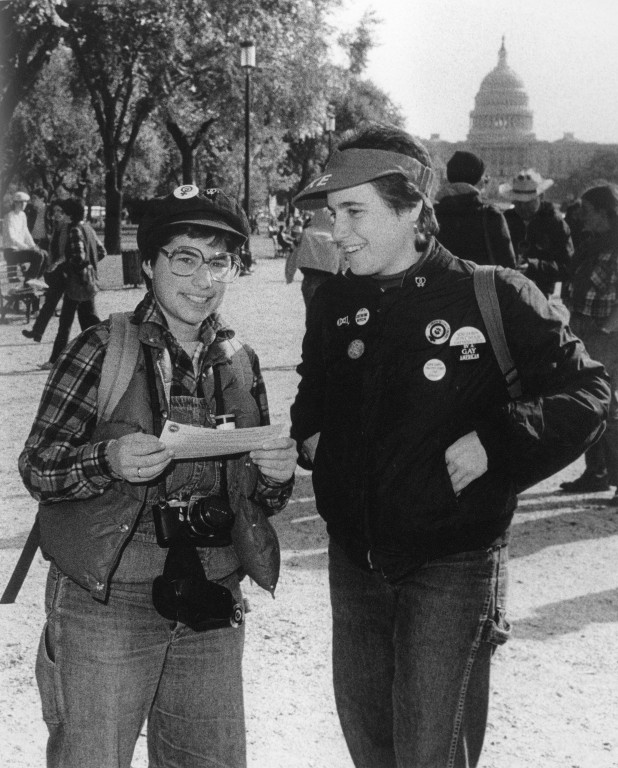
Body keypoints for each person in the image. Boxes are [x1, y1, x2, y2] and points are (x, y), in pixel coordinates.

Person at [289, 123, 609, 768]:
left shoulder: (494, 293)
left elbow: (590, 392)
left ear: (412, 208)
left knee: (431, 754)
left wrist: (499, 440)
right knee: (371, 747)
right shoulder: (335, 301)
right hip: (354, 563)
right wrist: (312, 437)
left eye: (354, 211)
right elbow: (313, 394)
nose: (336, 231)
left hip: (452, 564)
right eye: (331, 212)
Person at [18, 183, 297, 768]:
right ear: (148, 264)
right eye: (185, 259)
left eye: (219, 261)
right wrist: (107, 460)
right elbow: (38, 467)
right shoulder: (101, 349)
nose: (204, 280)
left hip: (212, 598)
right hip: (107, 601)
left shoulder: (240, 360)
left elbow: (261, 499)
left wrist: (275, 475)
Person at [559, 184, 618, 505]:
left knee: (608, 405)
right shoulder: (592, 244)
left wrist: (607, 328)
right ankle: (596, 472)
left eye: (588, 210)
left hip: (604, 332)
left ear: (604, 213)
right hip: (583, 325)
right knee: (589, 401)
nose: (582, 216)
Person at [39, 197, 103, 370]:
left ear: (70, 214)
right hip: (89, 281)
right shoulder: (88, 228)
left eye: (65, 212)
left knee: (66, 323)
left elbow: (78, 257)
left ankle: (55, 360)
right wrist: (91, 266)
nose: (63, 215)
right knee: (89, 322)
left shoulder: (74, 230)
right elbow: (101, 251)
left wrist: (68, 269)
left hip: (75, 283)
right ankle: (101, 355)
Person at [435, 150, 516, 267]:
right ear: (477, 180)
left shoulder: (432, 214)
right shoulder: (491, 216)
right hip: (482, 278)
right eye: (483, 177)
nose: (485, 181)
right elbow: (508, 265)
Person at [500, 169, 573, 297]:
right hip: (507, 292)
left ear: (541, 197)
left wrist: (533, 266)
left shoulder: (555, 223)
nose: (523, 208)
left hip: (540, 294)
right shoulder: (505, 220)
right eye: (518, 203)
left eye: (529, 203)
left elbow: (568, 266)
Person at [22, 200, 70, 344]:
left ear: (65, 213)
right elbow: (52, 249)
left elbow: (66, 252)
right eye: (54, 211)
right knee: (50, 303)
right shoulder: (56, 227)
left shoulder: (67, 228)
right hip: (56, 273)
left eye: (59, 211)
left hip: (66, 272)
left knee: (80, 310)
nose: (56, 214)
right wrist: (49, 265)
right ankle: (37, 332)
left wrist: (55, 264)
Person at [285, 208, 342, 319]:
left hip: (309, 280)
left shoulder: (306, 234)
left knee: (311, 315)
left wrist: (289, 275)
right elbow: (342, 259)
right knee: (328, 316)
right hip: (330, 281)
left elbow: (293, 254)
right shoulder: (335, 237)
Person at [2, 190, 47, 283]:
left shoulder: (23, 215)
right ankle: (29, 280)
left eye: (25, 202)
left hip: (20, 250)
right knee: (38, 255)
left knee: (44, 254)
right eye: (21, 202)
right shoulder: (9, 217)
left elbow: (26, 233)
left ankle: (34, 278)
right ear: (15, 203)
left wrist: (33, 246)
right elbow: (12, 238)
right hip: (11, 251)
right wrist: (26, 247)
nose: (24, 204)